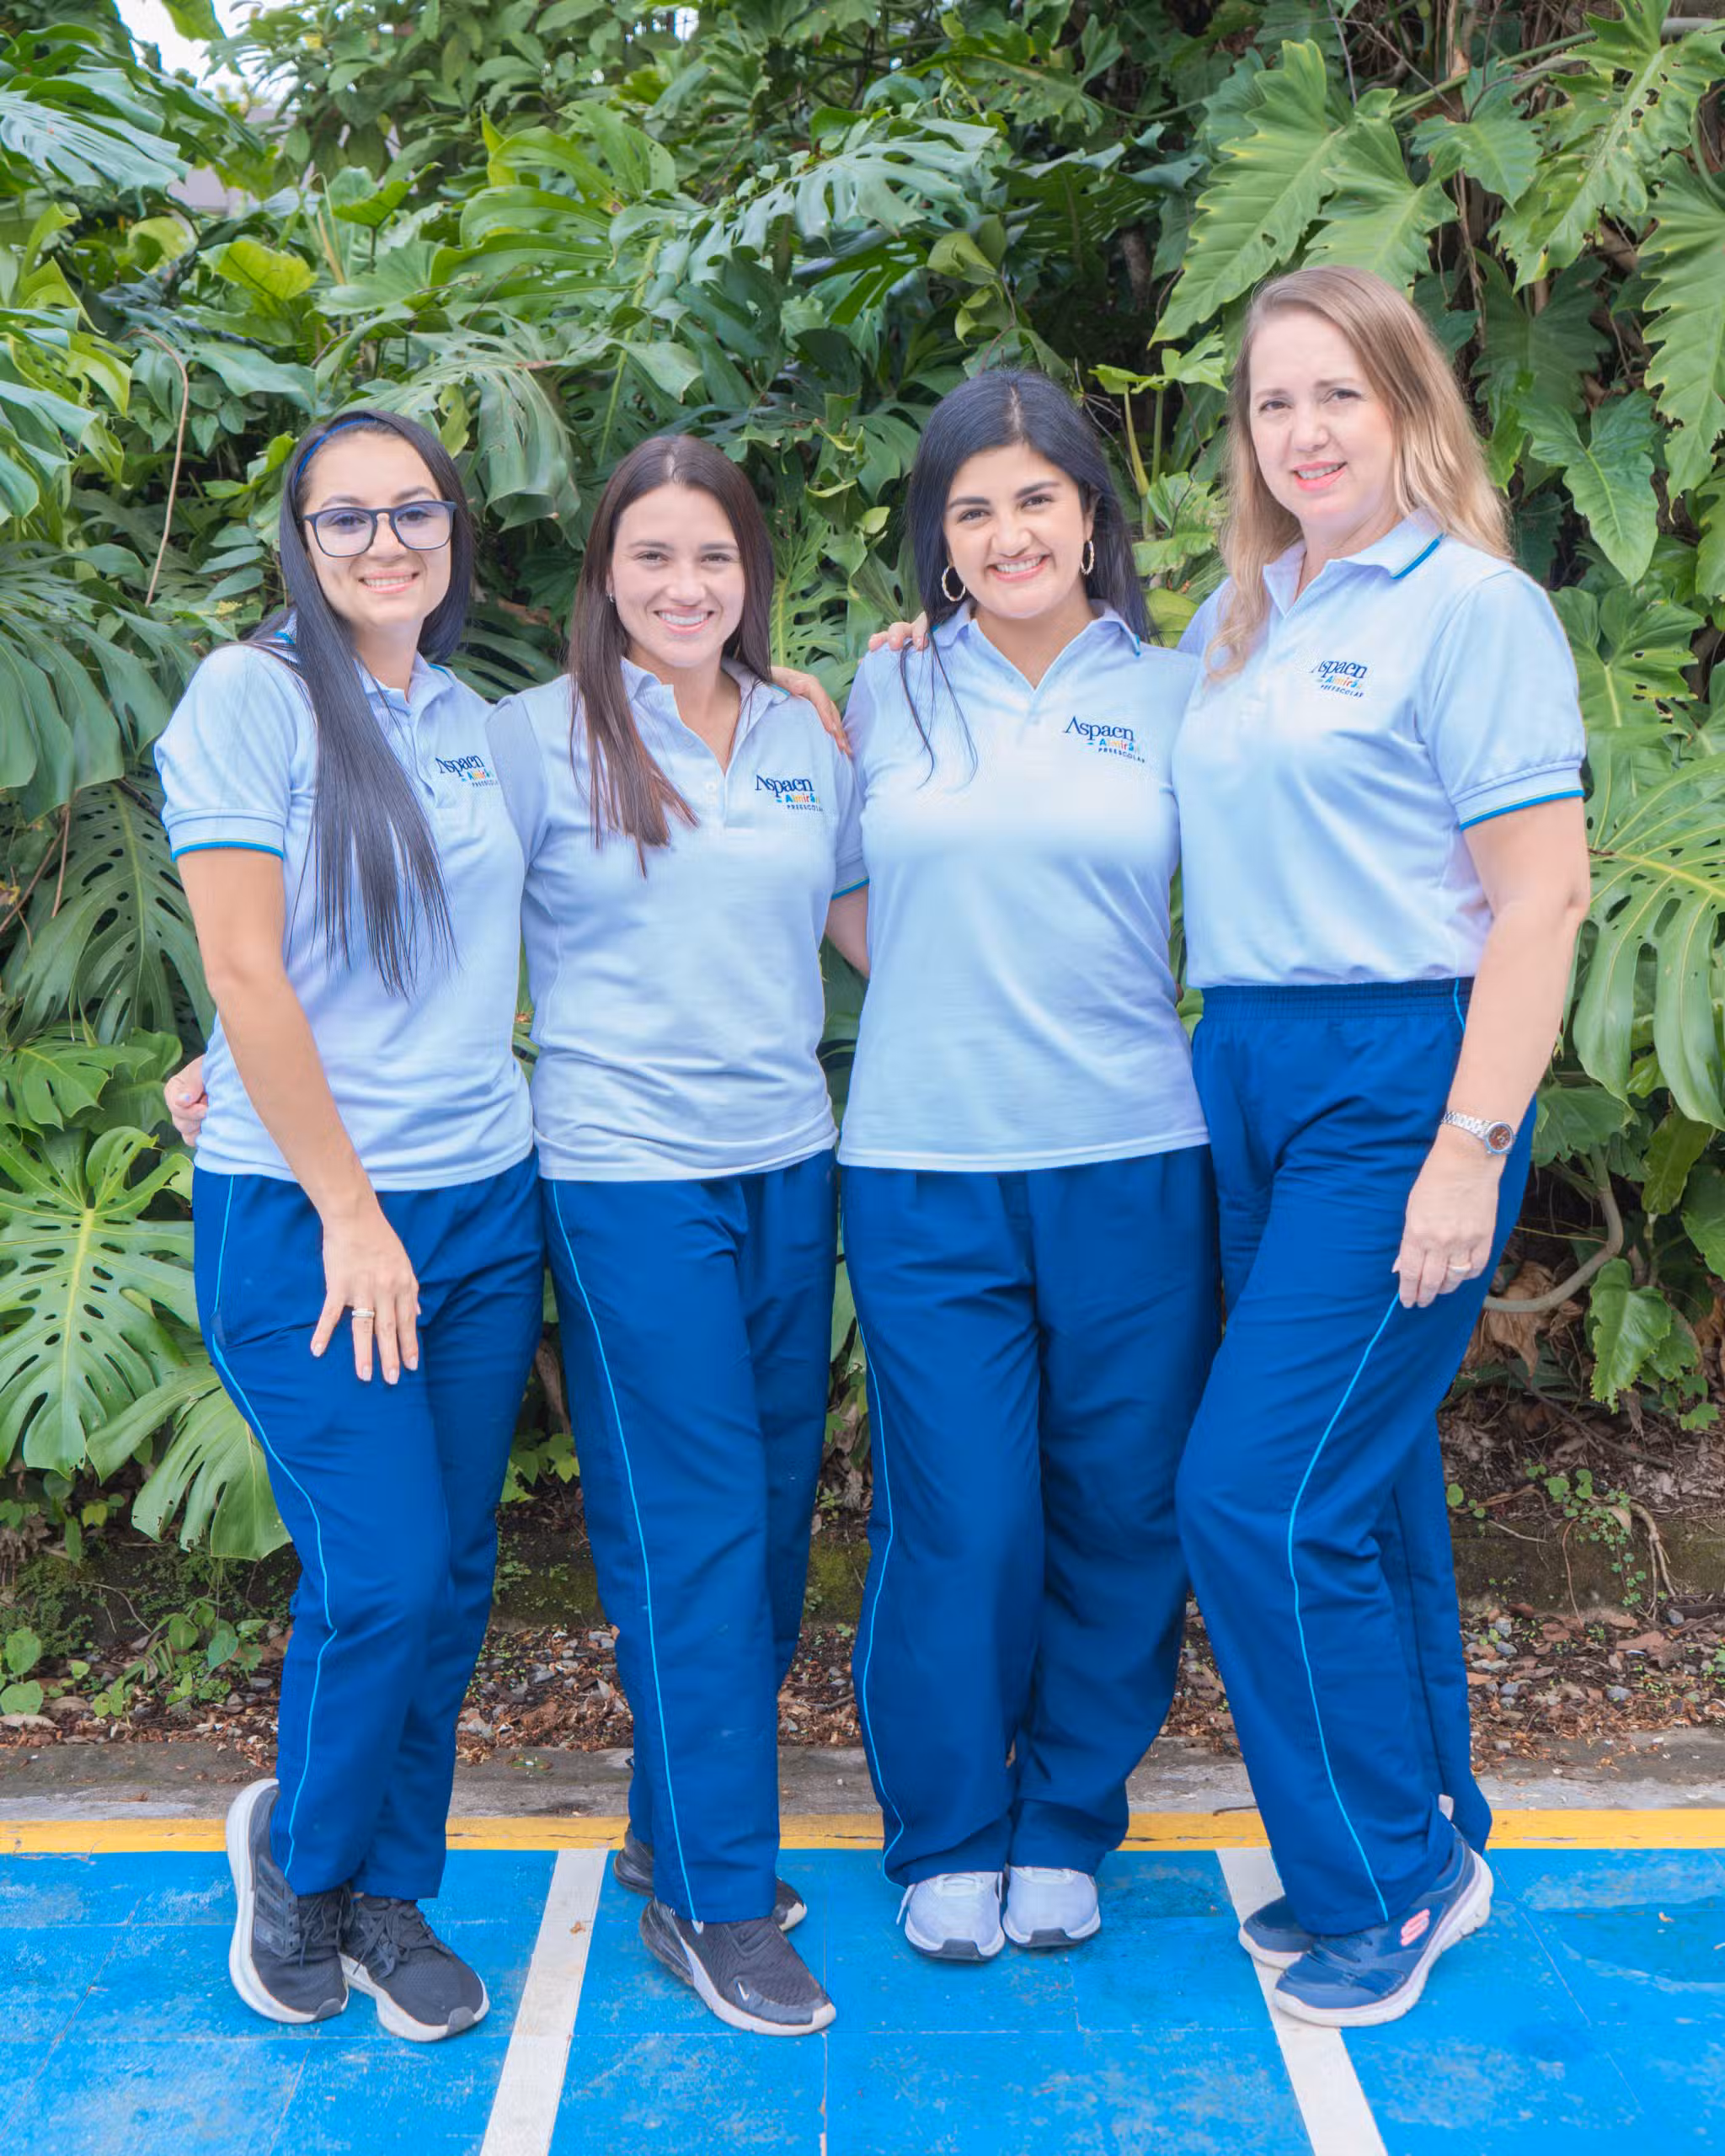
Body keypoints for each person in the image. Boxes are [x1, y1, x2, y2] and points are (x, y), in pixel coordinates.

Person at [1171, 264, 1591, 2027]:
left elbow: (1541, 896)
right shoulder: (1243, 616)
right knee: (1364, 1475)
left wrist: (1468, 1144)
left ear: (1409, 405)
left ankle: (1382, 1882)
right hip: (1246, 1064)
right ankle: (1432, 1832)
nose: (1305, 431)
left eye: (1338, 391)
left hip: (1400, 1069)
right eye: (1274, 401)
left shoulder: (1472, 608)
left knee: (1253, 1495)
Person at [153, 410, 546, 2041]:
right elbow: (244, 965)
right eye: (347, 518)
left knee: (447, 1576)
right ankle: (300, 1867)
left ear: (454, 527)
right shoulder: (252, 697)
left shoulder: (467, 718)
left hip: (482, 1202)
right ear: (300, 544)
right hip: (314, 1221)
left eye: (415, 511)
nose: (387, 543)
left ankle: (391, 1888)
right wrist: (347, 1205)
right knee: (378, 1569)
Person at [485, 434, 866, 2037]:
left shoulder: (801, 734)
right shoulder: (530, 741)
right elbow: (417, 918)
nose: (685, 585)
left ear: (751, 572)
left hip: (788, 1165)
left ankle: (667, 1827)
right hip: (627, 1182)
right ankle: (715, 1901)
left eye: (714, 555)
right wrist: (234, 1051)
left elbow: (875, 925)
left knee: (767, 1526)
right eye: (652, 555)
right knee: (693, 1530)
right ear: (604, 574)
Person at [841, 370, 1220, 1962]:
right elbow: (830, 883)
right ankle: (947, 1830)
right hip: (925, 1166)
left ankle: (1065, 1815)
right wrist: (952, 982)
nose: (1008, 534)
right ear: (938, 537)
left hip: (1134, 1158)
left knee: (1123, 1508)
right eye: (973, 508)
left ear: (1090, 516)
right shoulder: (881, 693)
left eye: (1036, 501)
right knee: (967, 1517)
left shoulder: (1183, 692)